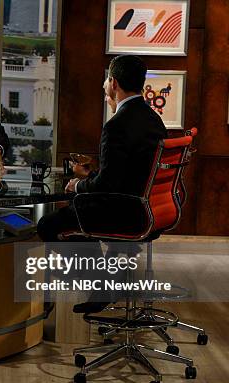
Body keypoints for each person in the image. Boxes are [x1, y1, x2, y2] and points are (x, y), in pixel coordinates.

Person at [37, 55, 167, 313]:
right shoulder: (154, 120)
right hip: (147, 209)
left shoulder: (116, 125)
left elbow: (109, 182)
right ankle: (103, 282)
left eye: (108, 79)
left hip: (122, 212)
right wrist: (92, 175)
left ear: (113, 83)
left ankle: (89, 286)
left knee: (48, 224)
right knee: (76, 212)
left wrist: (77, 185)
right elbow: (127, 173)